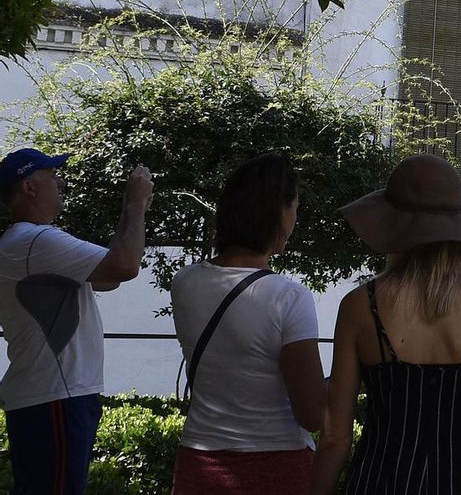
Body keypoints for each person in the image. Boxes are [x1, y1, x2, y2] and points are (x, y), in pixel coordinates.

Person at [309, 154, 461, 495]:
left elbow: (335, 436)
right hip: (460, 484)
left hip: (376, 483)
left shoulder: (360, 306)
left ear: (392, 224)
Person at [169, 153, 325, 494]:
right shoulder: (288, 297)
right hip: (278, 465)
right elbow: (312, 413)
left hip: (199, 463)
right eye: (295, 207)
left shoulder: (184, 282)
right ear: (278, 213)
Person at [0, 148, 152, 495]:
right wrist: (135, 204)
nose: (61, 182)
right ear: (29, 187)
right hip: (55, 395)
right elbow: (125, 266)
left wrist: (132, 211)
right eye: (52, 175)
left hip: (52, 394)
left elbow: (108, 277)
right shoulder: (35, 240)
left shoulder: (26, 243)